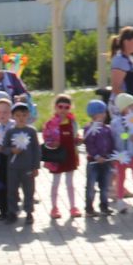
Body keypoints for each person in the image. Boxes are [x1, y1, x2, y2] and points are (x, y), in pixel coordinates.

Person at [42, 93, 80, 221]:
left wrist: (78, 140)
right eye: (60, 106)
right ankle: (54, 207)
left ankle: (73, 206)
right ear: (55, 107)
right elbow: (46, 138)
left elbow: (75, 137)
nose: (63, 110)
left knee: (70, 183)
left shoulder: (72, 121)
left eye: (66, 107)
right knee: (55, 183)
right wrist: (52, 143)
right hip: (57, 157)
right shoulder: (51, 123)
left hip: (69, 155)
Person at [2, 100, 40, 223]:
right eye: (18, 115)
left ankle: (29, 212)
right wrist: (12, 150)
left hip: (27, 167)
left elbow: (36, 150)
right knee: (12, 190)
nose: (21, 118)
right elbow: (4, 148)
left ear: (28, 115)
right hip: (13, 167)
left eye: (23, 115)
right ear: (13, 116)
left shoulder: (31, 131)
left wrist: (36, 166)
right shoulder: (10, 132)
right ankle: (12, 212)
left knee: (29, 190)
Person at [82, 99, 115, 218]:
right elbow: (89, 144)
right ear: (93, 115)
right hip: (93, 161)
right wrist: (96, 155)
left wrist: (112, 154)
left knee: (105, 185)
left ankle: (104, 206)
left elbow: (111, 142)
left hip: (106, 161)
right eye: (101, 113)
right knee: (91, 185)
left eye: (104, 113)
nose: (104, 115)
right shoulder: (89, 129)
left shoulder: (107, 129)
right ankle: (89, 208)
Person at [109, 27, 133, 103]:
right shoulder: (120, 60)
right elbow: (116, 88)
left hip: (131, 106)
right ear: (126, 42)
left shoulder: (132, 59)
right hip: (122, 106)